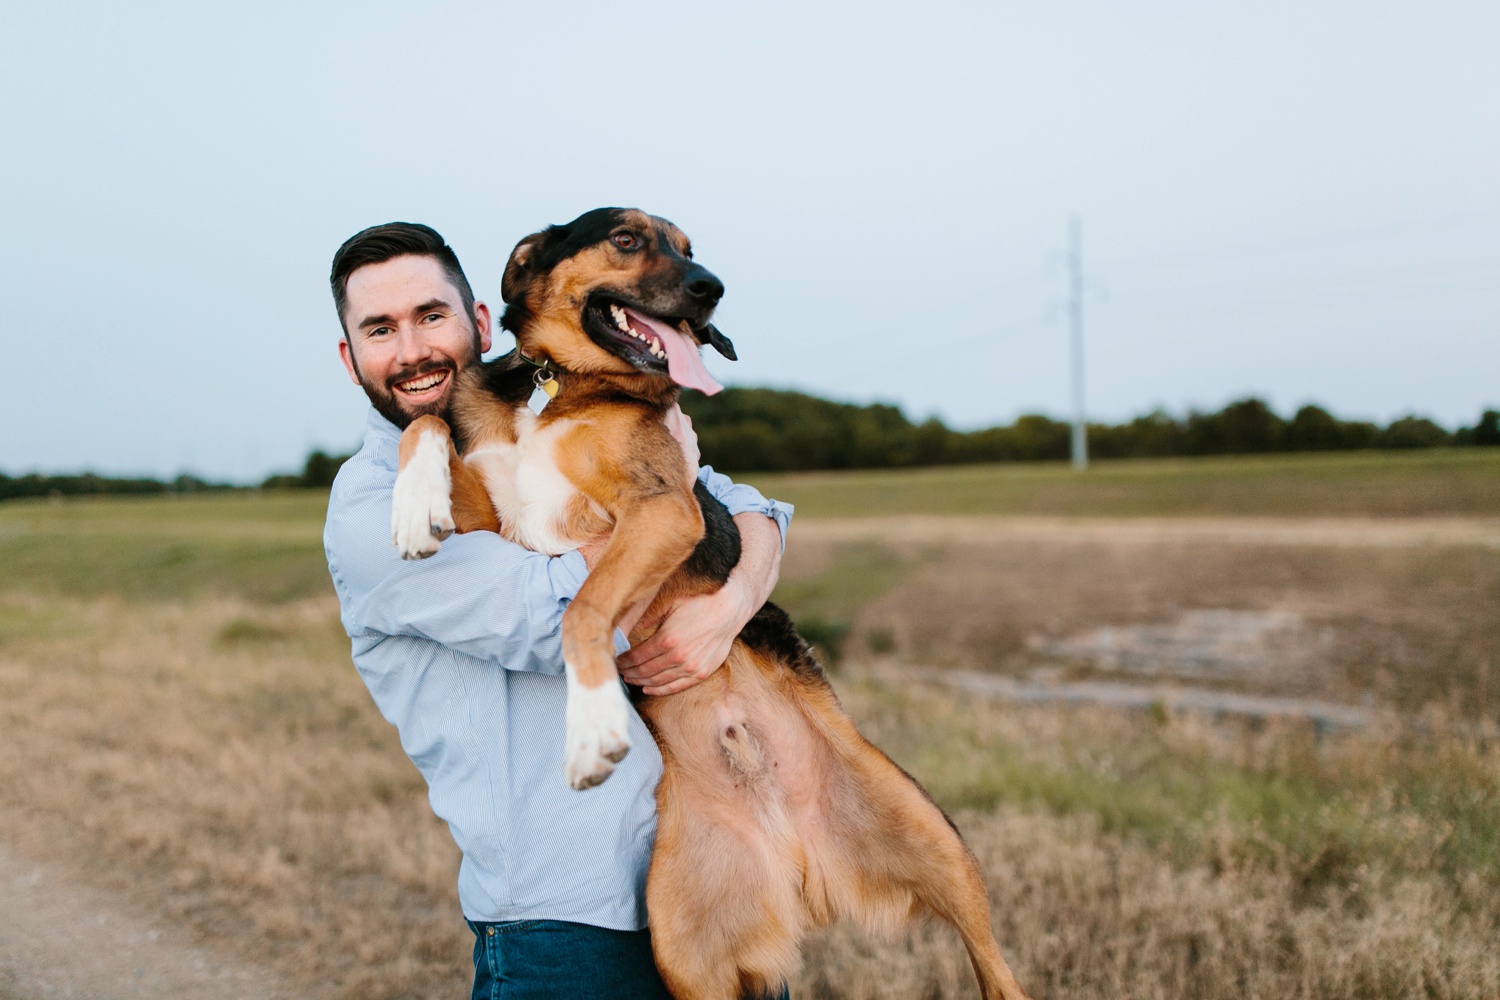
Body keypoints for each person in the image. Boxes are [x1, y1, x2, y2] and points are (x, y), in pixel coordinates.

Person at [322, 222, 793, 1000]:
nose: (412, 351)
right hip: (566, 922)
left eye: (430, 317)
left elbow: (750, 511)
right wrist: (667, 504)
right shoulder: (372, 509)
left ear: (479, 321)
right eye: (380, 329)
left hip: (712, 869)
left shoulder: (556, 416)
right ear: (351, 358)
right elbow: (560, 617)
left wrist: (733, 601)